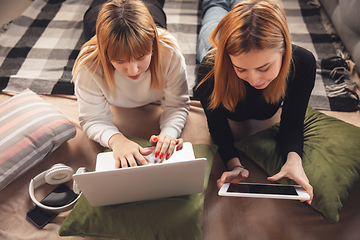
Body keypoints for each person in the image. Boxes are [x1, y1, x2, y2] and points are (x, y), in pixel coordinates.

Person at [194, 0, 315, 204]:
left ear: (284, 51)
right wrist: (234, 165)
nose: (254, 79)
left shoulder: (302, 64)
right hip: (213, 56)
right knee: (213, 8)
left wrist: (294, 160)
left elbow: (292, 124)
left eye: (264, 68)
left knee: (249, 9)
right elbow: (217, 126)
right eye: (240, 69)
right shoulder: (210, 71)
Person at [73, 0, 190, 168]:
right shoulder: (88, 64)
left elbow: (178, 104)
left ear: (152, 45)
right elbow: (92, 118)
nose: (133, 70)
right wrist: (116, 140)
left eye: (141, 57)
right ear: (106, 55)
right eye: (120, 61)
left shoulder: (169, 51)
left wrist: (169, 133)